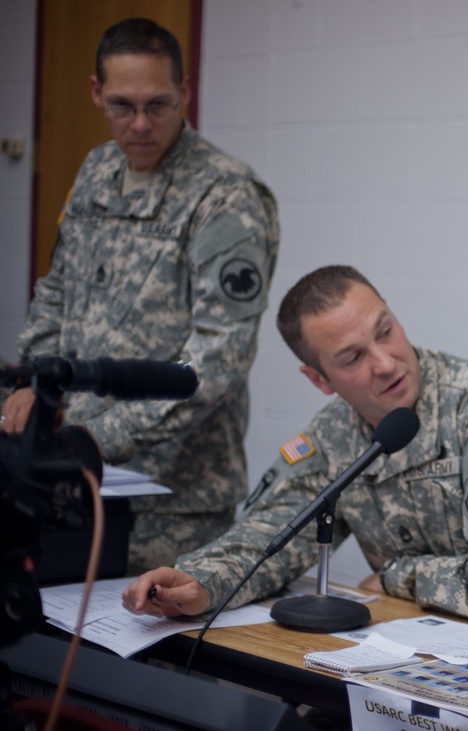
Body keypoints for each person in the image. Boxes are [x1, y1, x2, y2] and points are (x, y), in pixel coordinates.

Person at [121, 266, 468, 642]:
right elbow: (274, 531)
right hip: (419, 651)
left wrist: (400, 575)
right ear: (319, 380)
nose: (385, 363)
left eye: (385, 331)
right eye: (352, 358)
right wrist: (200, 580)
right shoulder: (335, 434)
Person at [0, 18, 280, 574]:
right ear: (96, 93)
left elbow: (216, 361)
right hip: (71, 480)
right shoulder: (97, 170)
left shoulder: (225, 194)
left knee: (148, 655)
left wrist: (95, 438)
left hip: (172, 501)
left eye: (159, 105)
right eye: (122, 106)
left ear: (185, 94)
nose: (141, 125)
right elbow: (57, 291)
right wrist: (31, 383)